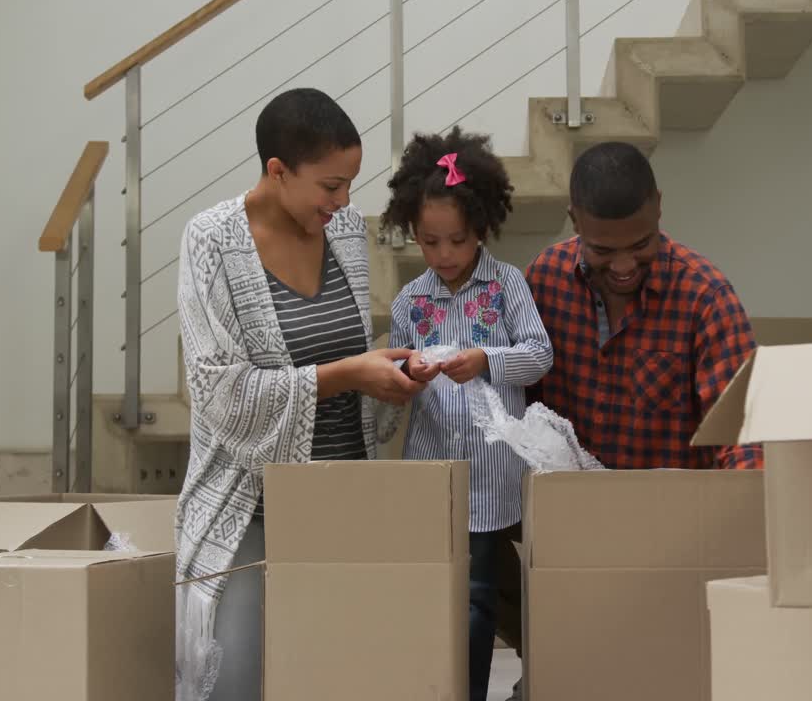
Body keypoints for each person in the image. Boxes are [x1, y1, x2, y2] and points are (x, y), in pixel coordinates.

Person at [174, 88, 426, 701]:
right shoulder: (210, 240)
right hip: (248, 508)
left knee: (338, 680)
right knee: (233, 683)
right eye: (330, 187)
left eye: (349, 187)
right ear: (277, 171)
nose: (343, 205)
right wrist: (347, 374)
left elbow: (353, 352)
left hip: (344, 505)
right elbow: (217, 393)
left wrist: (392, 377)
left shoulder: (342, 236)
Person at [377, 126, 552, 701]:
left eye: (458, 240)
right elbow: (396, 379)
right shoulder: (410, 302)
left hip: (492, 476)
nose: (445, 255)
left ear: (482, 227)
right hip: (432, 472)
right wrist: (407, 376)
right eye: (430, 242)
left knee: (478, 596)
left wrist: (485, 360)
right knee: (437, 594)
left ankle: (471, 691)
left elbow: (538, 357)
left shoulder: (507, 287)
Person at [526, 140, 763, 470]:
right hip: (564, 505)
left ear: (659, 207)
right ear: (574, 221)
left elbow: (742, 434)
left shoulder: (706, 298)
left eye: (641, 245)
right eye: (604, 251)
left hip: (671, 510)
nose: (623, 266)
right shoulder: (544, 281)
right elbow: (515, 400)